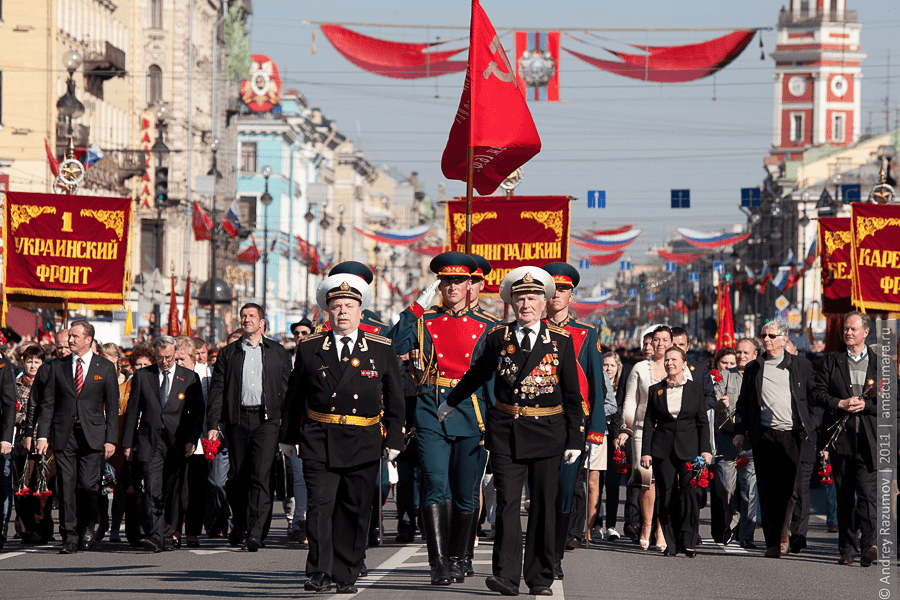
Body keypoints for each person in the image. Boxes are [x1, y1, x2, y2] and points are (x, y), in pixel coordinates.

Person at [441, 266, 583, 597]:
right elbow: (478, 373)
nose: (526, 305)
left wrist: (575, 438)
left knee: (543, 506)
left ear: (544, 302)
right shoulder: (498, 338)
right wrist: (451, 401)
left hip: (548, 432)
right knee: (505, 504)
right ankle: (505, 575)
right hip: (506, 431)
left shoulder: (560, 341)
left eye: (533, 298)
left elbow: (573, 394)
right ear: (511, 303)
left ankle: (540, 577)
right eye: (520, 298)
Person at [280, 271, 405, 594]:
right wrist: (288, 436)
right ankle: (320, 570)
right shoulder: (310, 348)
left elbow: (395, 397)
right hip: (319, 438)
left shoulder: (380, 348)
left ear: (360, 312)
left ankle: (347, 572)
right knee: (320, 508)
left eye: (349, 306)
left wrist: (393, 439)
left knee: (354, 508)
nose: (343, 312)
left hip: (362, 439)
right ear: (327, 312)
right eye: (337, 306)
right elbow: (294, 398)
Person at [390, 252, 494, 585]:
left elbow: (491, 380)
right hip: (431, 406)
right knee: (435, 484)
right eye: (445, 281)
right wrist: (415, 308)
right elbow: (395, 344)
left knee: (466, 491)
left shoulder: (489, 326)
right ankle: (438, 563)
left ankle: (459, 557)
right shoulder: (425, 319)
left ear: (470, 285)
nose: (451, 286)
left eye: (458, 281)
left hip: (471, 410)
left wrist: (496, 427)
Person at [541, 262, 611, 578]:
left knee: (565, 490)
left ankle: (555, 556)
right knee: (542, 491)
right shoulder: (531, 329)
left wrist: (596, 428)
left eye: (564, 289)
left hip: (572, 426)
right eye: (553, 287)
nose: (557, 293)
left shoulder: (585, 334)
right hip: (536, 422)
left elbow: (596, 384)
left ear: (572, 295)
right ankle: (541, 552)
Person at [206, 303, 292, 551]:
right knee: (236, 477)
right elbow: (218, 391)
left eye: (251, 316)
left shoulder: (277, 352)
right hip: (238, 420)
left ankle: (256, 532)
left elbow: (287, 390)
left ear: (262, 322)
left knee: (260, 476)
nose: (246, 320)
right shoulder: (229, 353)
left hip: (267, 422)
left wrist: (286, 422)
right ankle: (241, 523)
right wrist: (213, 424)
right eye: (243, 316)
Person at [732, 320, 816, 559]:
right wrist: (740, 429)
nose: (766, 339)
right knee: (768, 490)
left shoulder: (800, 365)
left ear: (783, 339)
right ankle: (773, 541)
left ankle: (783, 530)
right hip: (764, 434)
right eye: (763, 335)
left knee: (790, 489)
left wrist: (810, 425)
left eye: (771, 335)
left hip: (793, 435)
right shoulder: (754, 368)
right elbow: (744, 403)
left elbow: (813, 399)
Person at [35, 320, 119, 553]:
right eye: (69, 336)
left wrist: (111, 439)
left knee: (88, 486)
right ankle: (69, 535)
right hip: (64, 435)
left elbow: (112, 407)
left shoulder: (104, 367)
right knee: (66, 485)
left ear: (88, 340)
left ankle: (87, 526)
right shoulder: (57, 367)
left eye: (74, 336)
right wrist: (43, 435)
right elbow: (48, 404)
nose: (70, 340)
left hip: (93, 436)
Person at [813, 311, 883, 567]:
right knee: (845, 496)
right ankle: (847, 549)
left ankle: (869, 545)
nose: (848, 333)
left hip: (868, 439)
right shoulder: (832, 360)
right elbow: (818, 394)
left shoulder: (880, 363)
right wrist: (840, 403)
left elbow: (890, 400)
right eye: (846, 329)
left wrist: (866, 405)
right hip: (841, 439)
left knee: (867, 495)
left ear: (866, 332)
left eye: (854, 329)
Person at [121, 336, 203, 552]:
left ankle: (169, 533)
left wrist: (192, 439)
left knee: (173, 489)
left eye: (168, 357)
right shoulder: (143, 376)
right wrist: (128, 443)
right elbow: (133, 410)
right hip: (150, 440)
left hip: (177, 441)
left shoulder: (190, 377)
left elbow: (196, 413)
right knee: (152, 486)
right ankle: (155, 535)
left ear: (175, 354)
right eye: (160, 357)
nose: (164, 361)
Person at [640, 346, 712, 557]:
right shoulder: (656, 390)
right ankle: (671, 543)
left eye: (674, 360)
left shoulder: (695, 389)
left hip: (689, 449)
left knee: (690, 494)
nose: (669, 363)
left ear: (683, 363)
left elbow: (702, 422)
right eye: (667, 360)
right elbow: (648, 421)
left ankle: (688, 540)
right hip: (662, 449)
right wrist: (646, 451)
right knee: (666, 494)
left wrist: (705, 450)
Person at [617, 325, 671, 550]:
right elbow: (630, 400)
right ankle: (647, 525)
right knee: (646, 482)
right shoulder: (640, 368)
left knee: (667, 482)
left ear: (672, 342)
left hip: (669, 432)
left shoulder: (680, 367)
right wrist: (625, 429)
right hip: (641, 430)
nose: (660, 344)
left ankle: (661, 529)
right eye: (656, 340)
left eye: (664, 340)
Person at [172, 336, 209, 548]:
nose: (178, 364)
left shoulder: (203, 376)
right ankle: (175, 528)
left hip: (199, 439)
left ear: (193, 358)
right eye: (175, 359)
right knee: (177, 487)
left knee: (196, 488)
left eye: (182, 359)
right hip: (175, 438)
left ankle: (193, 530)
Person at [10, 344, 46, 545]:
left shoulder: (48, 383)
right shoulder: (15, 385)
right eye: (29, 361)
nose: (33, 365)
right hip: (23, 440)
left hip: (44, 440)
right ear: (23, 362)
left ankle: (42, 526)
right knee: (22, 485)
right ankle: (24, 528)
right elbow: (12, 412)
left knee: (42, 485)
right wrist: (30, 420)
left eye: (37, 362)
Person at [589, 351, 624, 542]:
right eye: (605, 365)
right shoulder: (596, 381)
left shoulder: (622, 387)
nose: (608, 369)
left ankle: (611, 524)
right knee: (595, 483)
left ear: (618, 367)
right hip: (598, 435)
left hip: (616, 438)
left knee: (612, 483)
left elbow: (620, 410)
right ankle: (595, 524)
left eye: (611, 365)